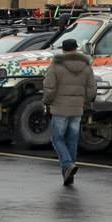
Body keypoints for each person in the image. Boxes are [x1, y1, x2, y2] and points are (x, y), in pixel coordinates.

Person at [42, 39, 96, 185]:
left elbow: (49, 88)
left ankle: (67, 165)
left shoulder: (56, 65)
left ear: (63, 50)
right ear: (76, 49)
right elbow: (91, 89)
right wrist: (84, 102)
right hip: (77, 109)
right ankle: (68, 175)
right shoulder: (86, 66)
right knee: (72, 140)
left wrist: (46, 101)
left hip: (60, 108)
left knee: (57, 139)